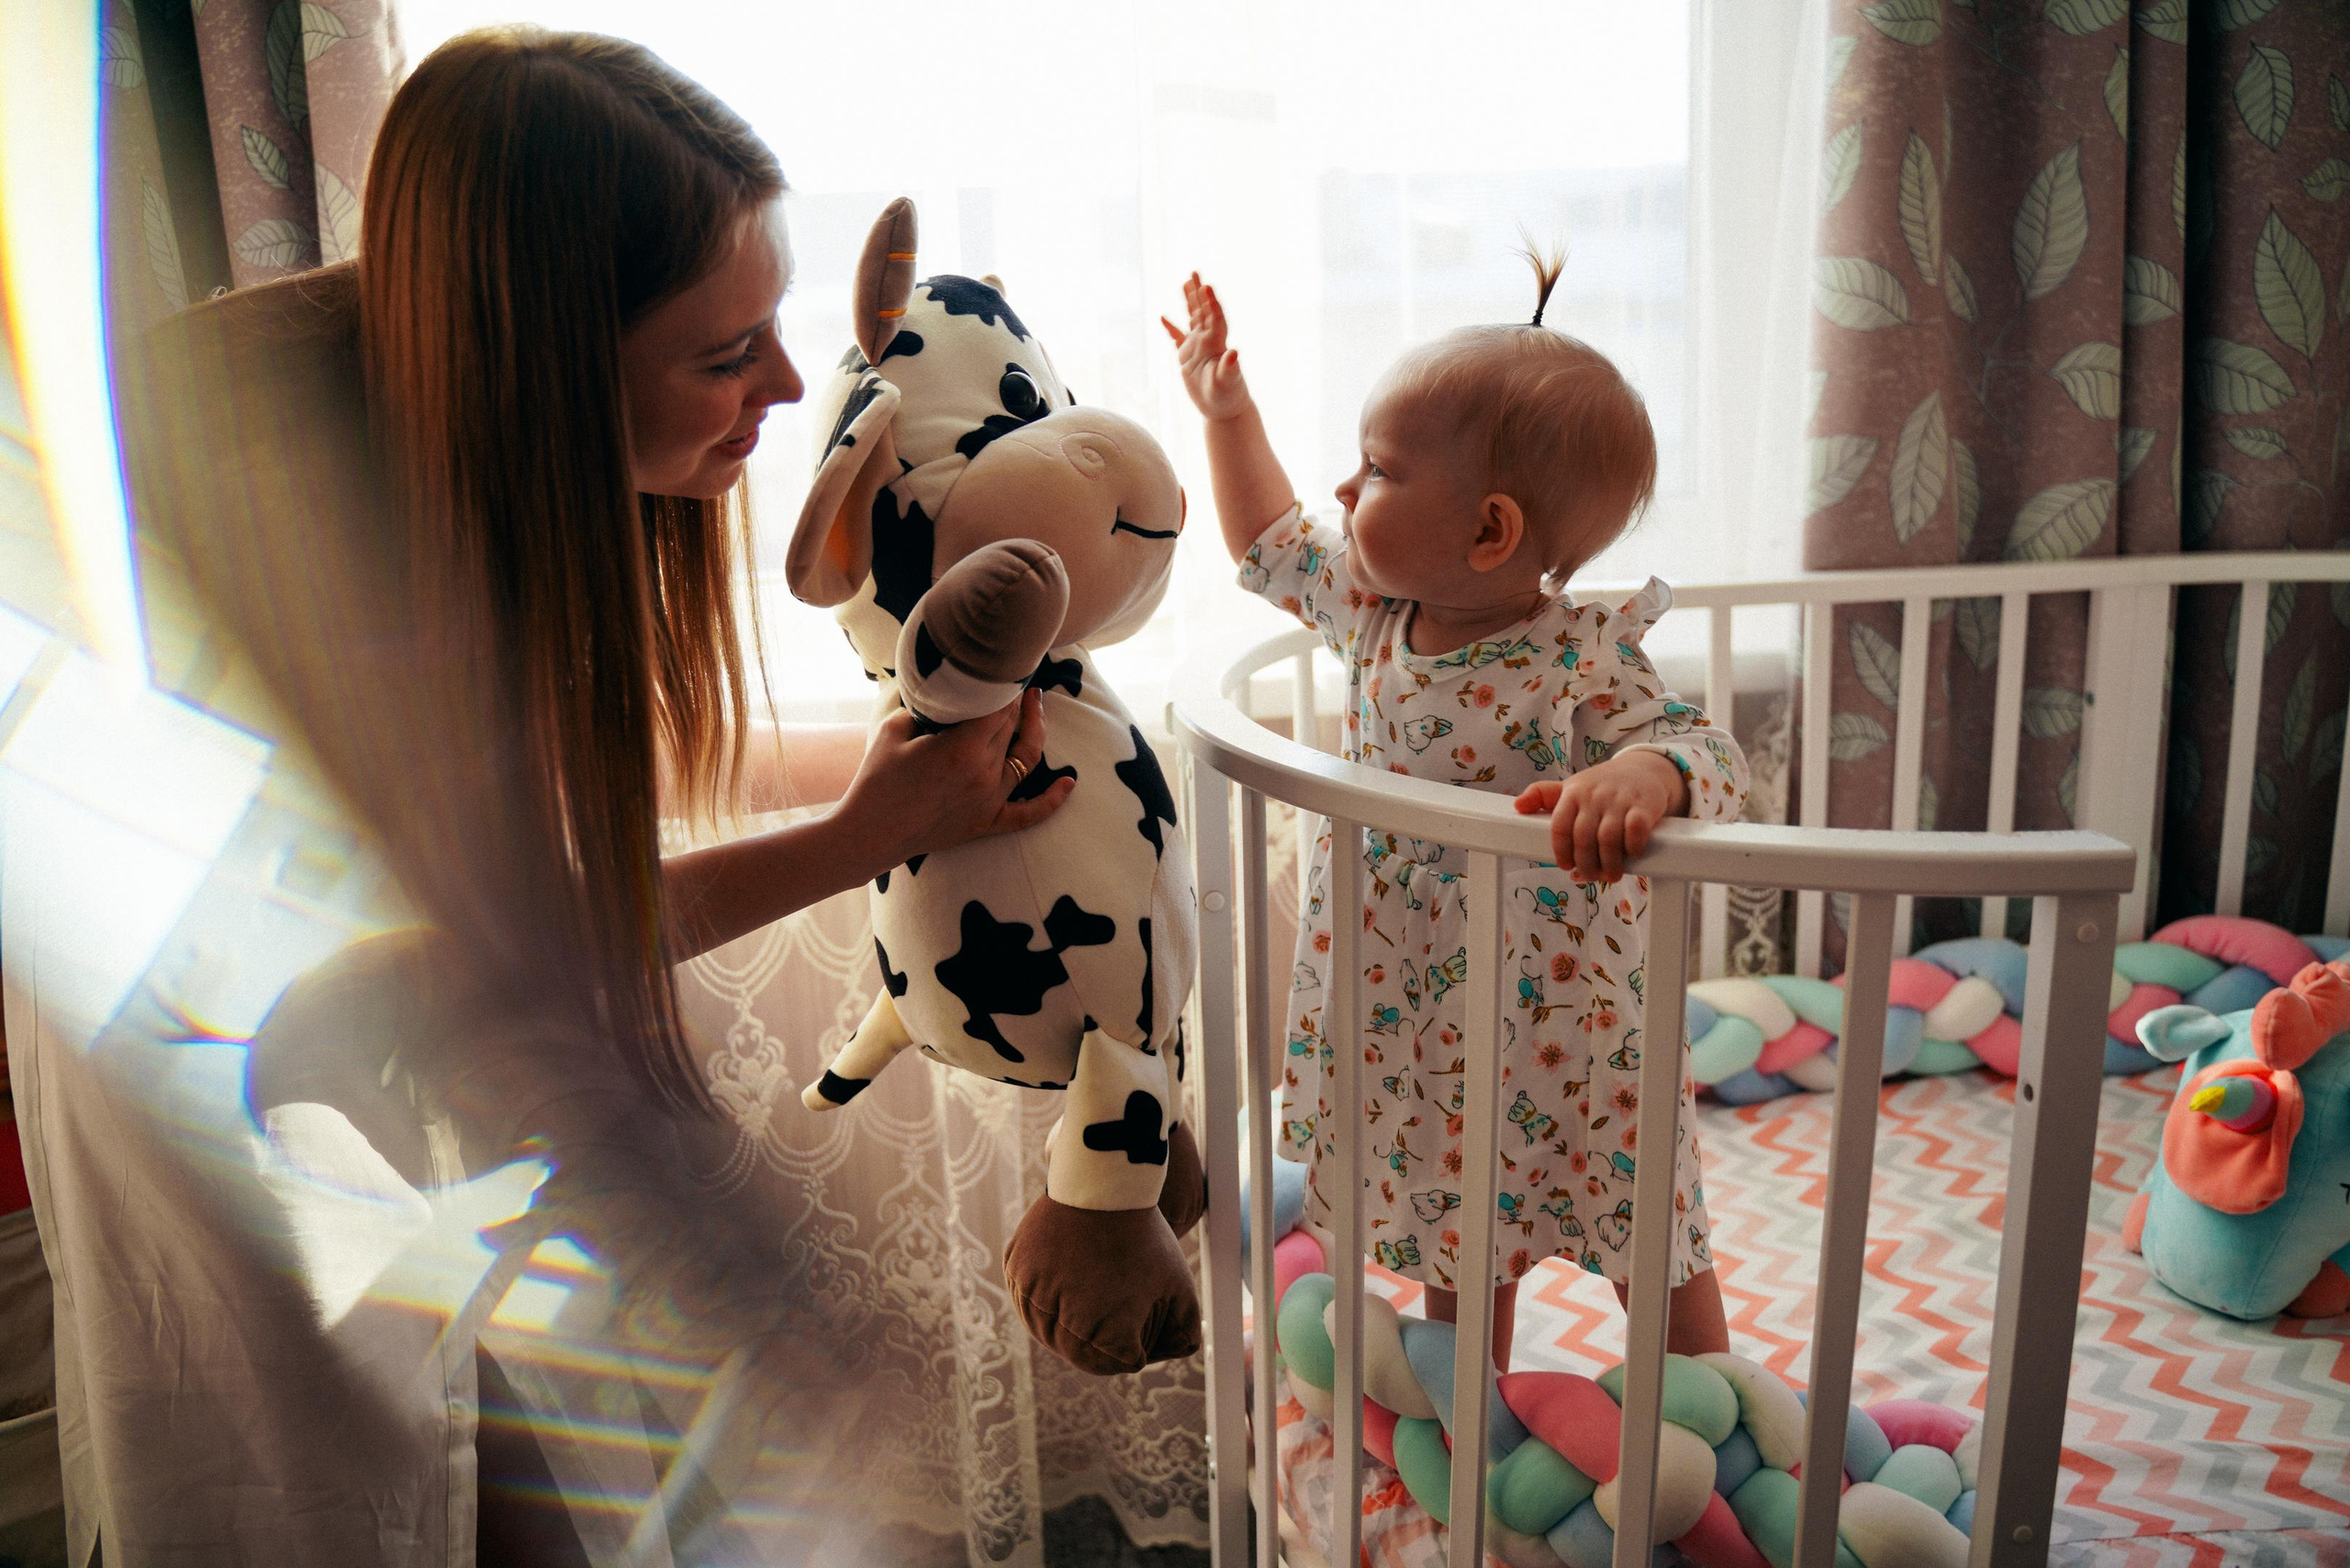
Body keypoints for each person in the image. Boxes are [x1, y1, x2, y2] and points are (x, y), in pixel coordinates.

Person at [27, 28, 1070, 1564]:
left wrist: (885, 784)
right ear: (546, 367)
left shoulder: (456, 426)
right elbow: (471, 952)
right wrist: (863, 839)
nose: (787, 384)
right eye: (724, 356)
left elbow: (586, 757)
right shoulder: (318, 529)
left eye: (773, 328)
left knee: (515, 1460)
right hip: (263, 1077)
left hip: (367, 1057)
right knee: (347, 1481)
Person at [1163, 259, 1749, 1371]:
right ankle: (1465, 1410)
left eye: (1377, 469)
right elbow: (1271, 540)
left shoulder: (1578, 656)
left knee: (1644, 1218)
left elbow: (1708, 751)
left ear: (1489, 530)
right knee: (1454, 1203)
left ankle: (1710, 1408)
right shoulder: (1374, 617)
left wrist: (1645, 777)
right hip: (1415, 1000)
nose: (1344, 490)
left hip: (1572, 1021)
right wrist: (1226, 411)